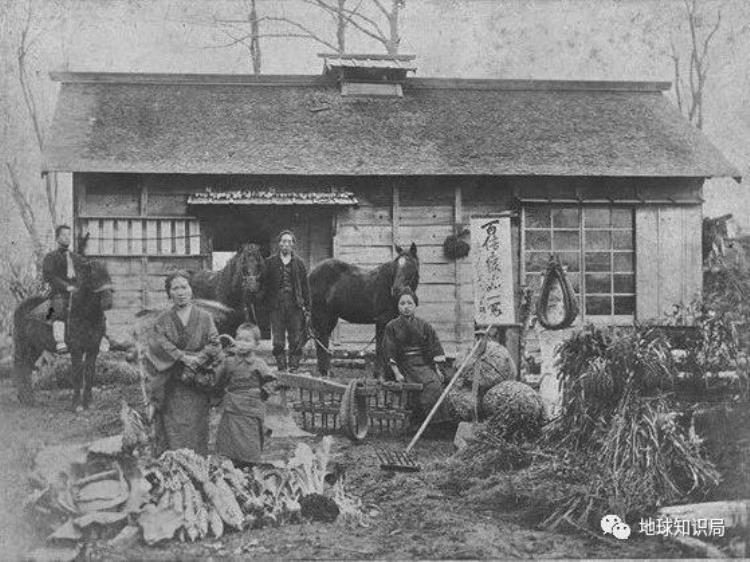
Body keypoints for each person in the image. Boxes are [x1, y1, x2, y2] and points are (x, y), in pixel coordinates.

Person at [145, 270, 222, 456]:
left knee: (197, 432)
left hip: (197, 384)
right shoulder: (163, 320)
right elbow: (158, 345)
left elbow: (214, 343)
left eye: (184, 287)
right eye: (175, 288)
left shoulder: (204, 317)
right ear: (169, 293)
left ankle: (197, 469)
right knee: (172, 435)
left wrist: (198, 359)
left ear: (191, 290)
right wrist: (182, 357)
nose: (181, 292)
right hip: (172, 384)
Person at [382, 287, 449, 423]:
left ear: (415, 305)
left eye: (409, 303)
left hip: (423, 364)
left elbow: (434, 346)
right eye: (402, 304)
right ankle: (423, 421)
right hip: (404, 365)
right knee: (426, 386)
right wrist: (397, 373)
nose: (406, 307)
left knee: (435, 384)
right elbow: (389, 350)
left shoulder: (424, 325)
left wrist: (437, 369)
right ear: (397, 306)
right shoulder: (392, 326)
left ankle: (438, 422)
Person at [215, 323, 276, 469]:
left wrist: (264, 392)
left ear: (256, 344)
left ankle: (250, 466)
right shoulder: (228, 362)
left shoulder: (259, 364)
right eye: (239, 339)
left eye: (247, 340)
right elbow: (218, 381)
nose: (242, 344)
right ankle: (232, 467)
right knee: (229, 442)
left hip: (251, 410)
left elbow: (272, 381)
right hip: (232, 409)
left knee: (250, 442)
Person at [259, 230, 311, 372]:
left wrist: (307, 307)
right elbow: (264, 285)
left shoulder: (299, 264)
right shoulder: (270, 263)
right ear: (279, 244)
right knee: (278, 341)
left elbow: (305, 287)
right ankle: (282, 369)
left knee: (295, 339)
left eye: (289, 242)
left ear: (293, 245)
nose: (286, 244)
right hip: (276, 307)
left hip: (295, 306)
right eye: (283, 241)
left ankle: (293, 368)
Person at [42, 225, 83, 353]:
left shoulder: (75, 257)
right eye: (63, 235)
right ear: (57, 238)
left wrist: (79, 286)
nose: (67, 238)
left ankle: (100, 337)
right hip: (59, 291)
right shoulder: (51, 257)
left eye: (68, 235)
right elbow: (50, 276)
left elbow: (81, 273)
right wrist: (66, 286)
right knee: (58, 307)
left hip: (76, 291)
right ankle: (60, 341)